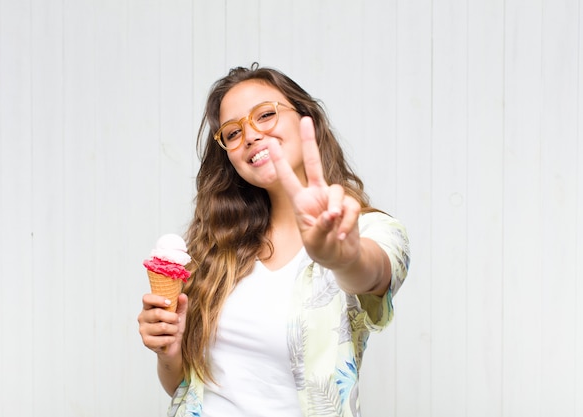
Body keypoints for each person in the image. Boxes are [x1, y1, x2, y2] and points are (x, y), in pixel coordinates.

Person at [138, 63, 410, 417]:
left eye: (265, 114)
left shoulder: (371, 230)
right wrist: (168, 351)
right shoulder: (217, 249)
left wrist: (343, 257)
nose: (249, 135)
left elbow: (372, 271)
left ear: (305, 118)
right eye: (232, 133)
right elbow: (185, 390)